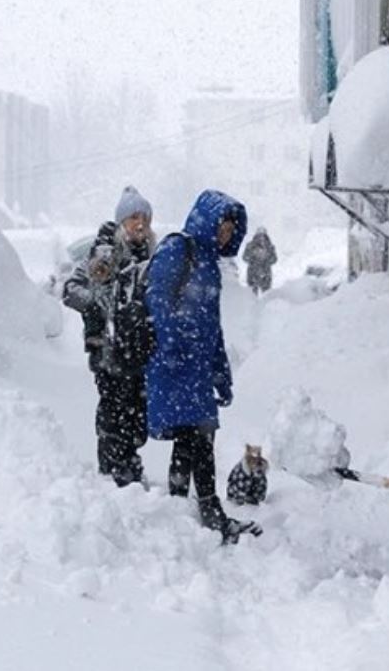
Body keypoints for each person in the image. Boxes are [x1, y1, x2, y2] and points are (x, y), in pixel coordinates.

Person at [144, 189, 262, 543]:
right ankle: (209, 513)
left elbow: (212, 326)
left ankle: (182, 509)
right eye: (221, 226)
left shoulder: (209, 264)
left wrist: (221, 373)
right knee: (198, 437)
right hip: (175, 365)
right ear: (207, 221)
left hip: (195, 368)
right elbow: (157, 302)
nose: (225, 234)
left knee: (194, 438)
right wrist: (172, 347)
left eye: (230, 229)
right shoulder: (178, 249)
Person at [62, 186, 157, 488]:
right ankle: (113, 469)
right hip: (108, 350)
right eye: (133, 218)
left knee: (138, 413)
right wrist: (99, 307)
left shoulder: (152, 255)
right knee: (114, 410)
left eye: (145, 218)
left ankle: (129, 463)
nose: (140, 224)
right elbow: (71, 290)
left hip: (139, 350)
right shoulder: (105, 252)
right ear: (121, 222)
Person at [241, 227, 278, 295]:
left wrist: (253, 259)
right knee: (265, 294)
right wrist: (266, 260)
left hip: (255, 272)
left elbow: (244, 258)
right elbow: (274, 259)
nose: (261, 238)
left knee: (253, 294)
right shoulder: (269, 246)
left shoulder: (251, 245)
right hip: (263, 272)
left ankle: (252, 302)